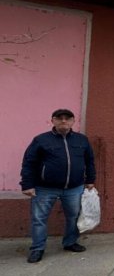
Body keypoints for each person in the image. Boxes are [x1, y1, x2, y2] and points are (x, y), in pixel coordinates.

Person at [20, 109, 96, 263]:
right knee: (39, 219)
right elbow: (29, 162)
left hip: (74, 188)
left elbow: (89, 161)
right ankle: (37, 249)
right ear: (52, 121)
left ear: (73, 121)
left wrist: (90, 180)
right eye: (59, 118)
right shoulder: (41, 140)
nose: (63, 121)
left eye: (67, 118)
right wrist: (27, 185)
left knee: (73, 217)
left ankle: (70, 242)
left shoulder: (82, 140)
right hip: (44, 188)